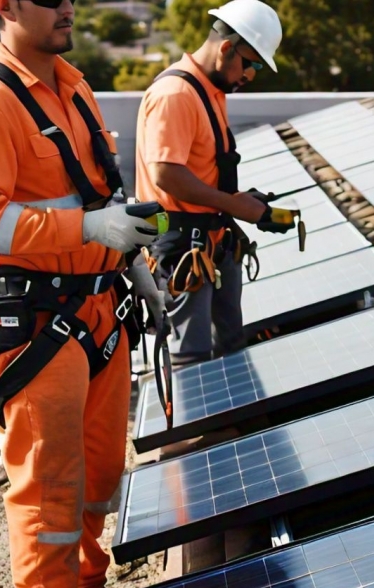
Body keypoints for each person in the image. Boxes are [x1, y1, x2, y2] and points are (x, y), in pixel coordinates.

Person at [0, 0, 165, 588]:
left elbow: (97, 195)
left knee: (98, 479)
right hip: (38, 325)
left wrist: (135, 263)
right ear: (6, 6)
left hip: (102, 309)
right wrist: (88, 232)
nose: (67, 6)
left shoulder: (74, 86)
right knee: (49, 499)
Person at [136, 0, 299, 365]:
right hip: (182, 249)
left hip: (210, 242)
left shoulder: (209, 90)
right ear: (227, 47)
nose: (252, 74)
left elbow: (201, 166)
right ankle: (203, 424)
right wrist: (234, 205)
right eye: (252, 63)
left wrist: (241, 199)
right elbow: (166, 174)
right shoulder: (176, 94)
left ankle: (236, 420)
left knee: (229, 346)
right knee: (192, 358)